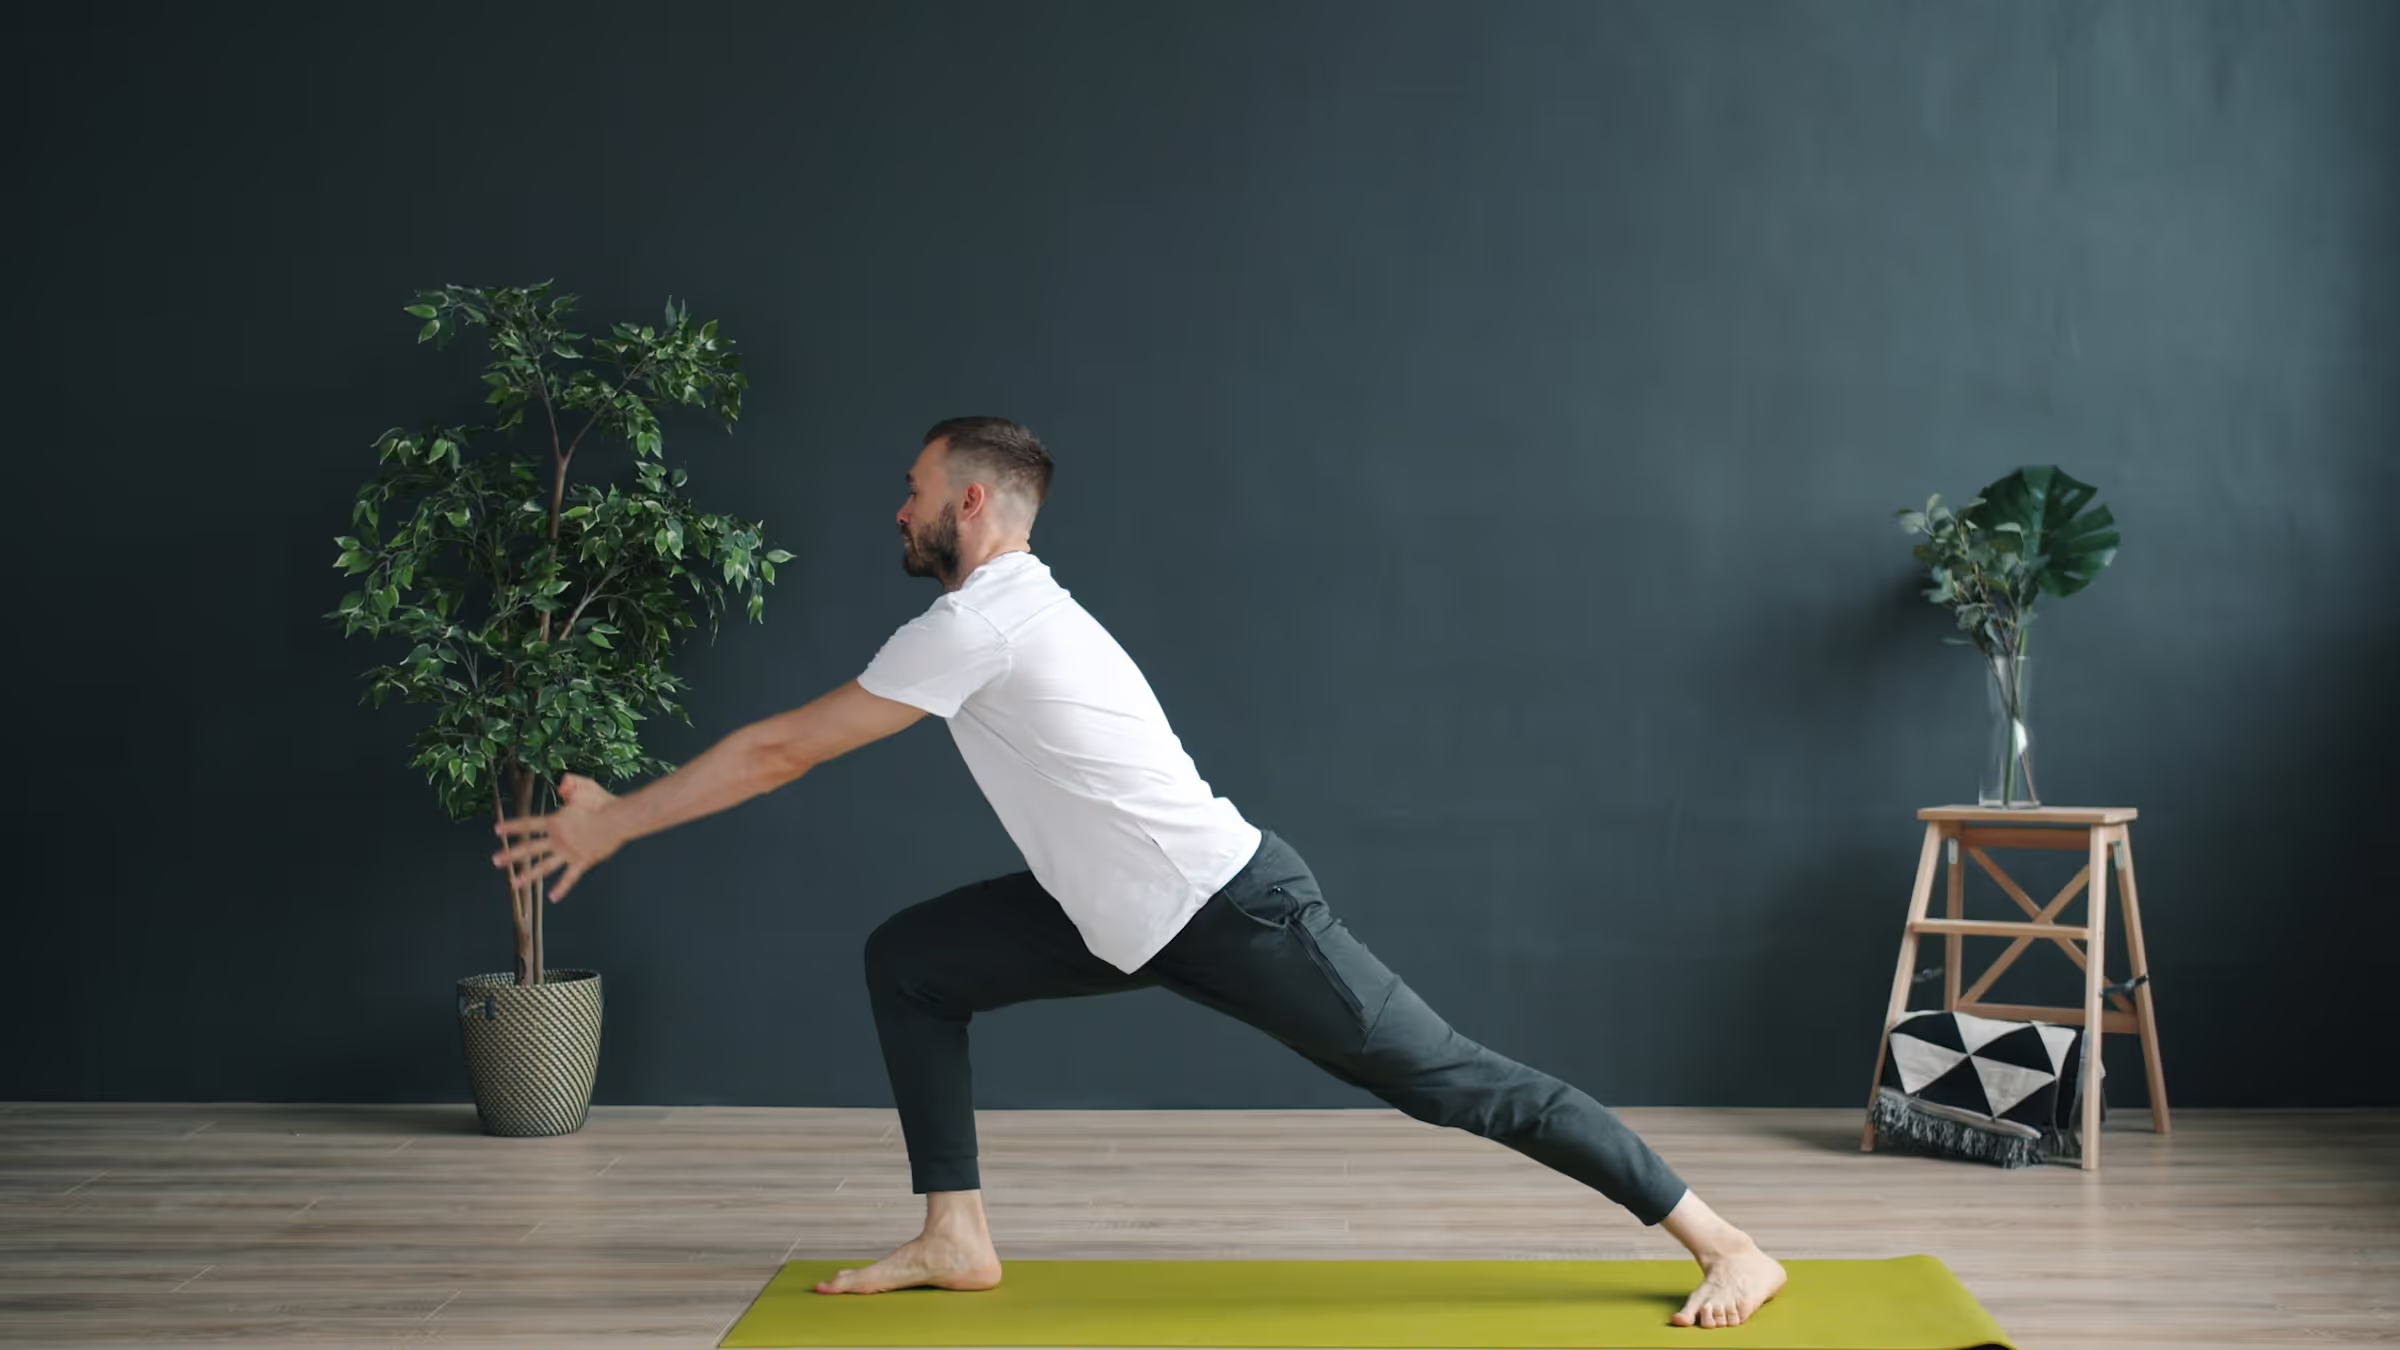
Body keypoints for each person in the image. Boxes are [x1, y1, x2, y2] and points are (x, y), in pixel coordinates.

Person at [491, 416, 1788, 1329]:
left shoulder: (983, 620)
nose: (898, 506)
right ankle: (957, 1231)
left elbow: (781, 750)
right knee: (913, 960)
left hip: (1230, 903)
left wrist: (616, 822)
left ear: (973, 503)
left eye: (914, 485)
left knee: (1451, 1081)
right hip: (1111, 915)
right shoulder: (1004, 614)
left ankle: (1726, 1239)